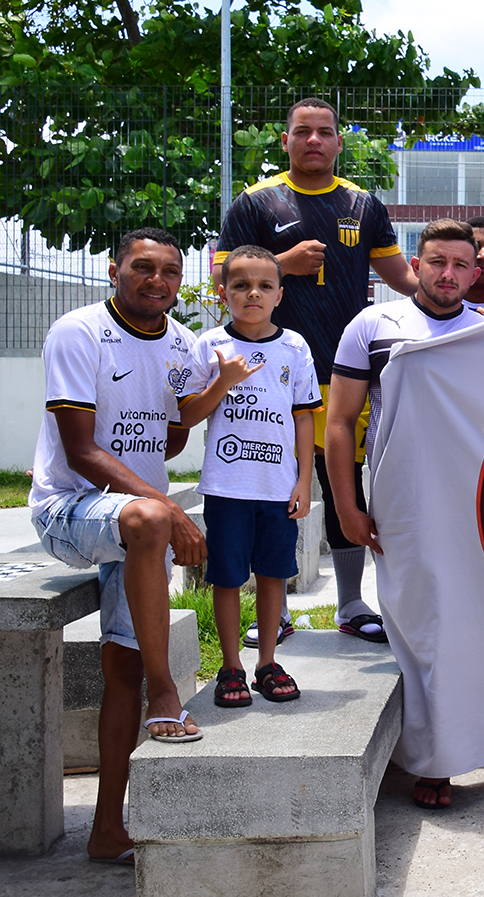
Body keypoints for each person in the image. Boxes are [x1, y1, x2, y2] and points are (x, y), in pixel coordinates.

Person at [29, 227, 206, 864]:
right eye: (142, 267)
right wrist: (164, 508)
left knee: (118, 671)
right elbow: (80, 450)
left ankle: (108, 830)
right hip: (70, 510)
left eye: (168, 271)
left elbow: (170, 437)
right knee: (153, 521)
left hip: (134, 525)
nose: (155, 280)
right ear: (114, 270)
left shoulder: (182, 342)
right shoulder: (78, 332)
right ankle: (169, 689)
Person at [215, 97, 418, 647]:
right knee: (273, 489)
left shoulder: (362, 203)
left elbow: (400, 275)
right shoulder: (257, 202)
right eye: (302, 132)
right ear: (285, 141)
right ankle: (273, 611)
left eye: (324, 132)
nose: (313, 141)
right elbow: (220, 272)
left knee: (342, 486)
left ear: (338, 142)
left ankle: (350, 604)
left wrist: (467, 298)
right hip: (268, 372)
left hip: (347, 374)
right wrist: (282, 265)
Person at [323, 218, 484, 808]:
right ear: (414, 265)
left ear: (476, 271)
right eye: (437, 262)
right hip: (404, 499)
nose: (448, 275)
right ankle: (432, 756)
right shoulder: (373, 324)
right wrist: (347, 504)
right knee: (419, 628)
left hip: (476, 500)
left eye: (461, 265)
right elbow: (339, 422)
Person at [176, 245, 321, 708]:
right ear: (223, 294)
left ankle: (267, 663)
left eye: (264, 286)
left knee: (273, 573)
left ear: (280, 294)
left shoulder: (294, 346)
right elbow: (188, 414)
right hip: (227, 486)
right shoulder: (210, 346)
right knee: (227, 576)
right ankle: (231, 665)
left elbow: (303, 418)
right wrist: (223, 381)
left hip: (277, 487)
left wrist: (303, 480)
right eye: (241, 285)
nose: (252, 294)